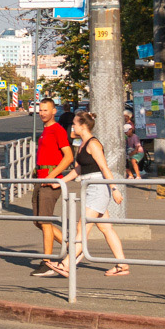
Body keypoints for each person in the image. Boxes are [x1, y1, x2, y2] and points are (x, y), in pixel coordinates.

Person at [48, 112, 130, 277]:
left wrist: (114, 189)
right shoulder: (82, 143)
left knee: (82, 228)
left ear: (83, 126)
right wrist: (61, 182)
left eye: (75, 124)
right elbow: (78, 169)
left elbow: (104, 167)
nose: (73, 126)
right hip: (90, 187)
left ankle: (66, 265)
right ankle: (122, 265)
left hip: (99, 188)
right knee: (106, 228)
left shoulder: (93, 144)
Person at [30, 98, 75, 277]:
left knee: (45, 222)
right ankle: (72, 247)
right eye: (40, 110)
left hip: (50, 182)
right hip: (40, 180)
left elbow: (69, 157)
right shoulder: (45, 130)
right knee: (38, 221)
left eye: (46, 110)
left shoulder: (57, 130)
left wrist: (51, 176)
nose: (42, 113)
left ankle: (47, 262)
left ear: (54, 111)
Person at [123, 110, 143, 180]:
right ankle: (130, 175)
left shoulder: (135, 137)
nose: (126, 133)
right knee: (125, 162)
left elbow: (137, 148)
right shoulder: (126, 137)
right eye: (125, 132)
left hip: (137, 152)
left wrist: (130, 155)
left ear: (131, 129)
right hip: (130, 151)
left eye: (127, 131)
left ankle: (138, 176)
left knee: (133, 160)